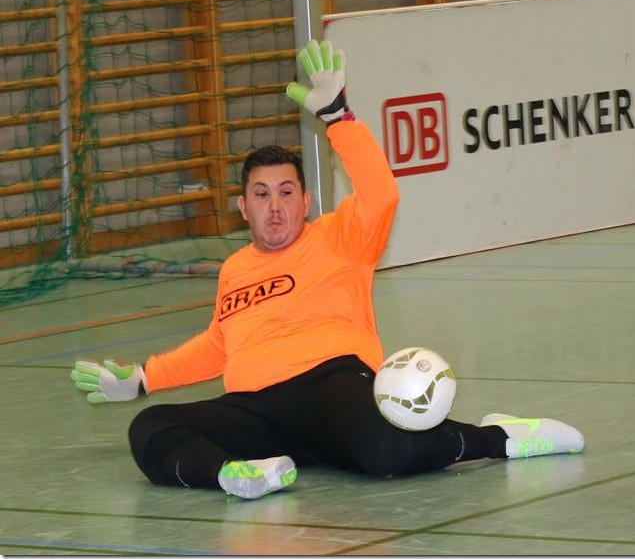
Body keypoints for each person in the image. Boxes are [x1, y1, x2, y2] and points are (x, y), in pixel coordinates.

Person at [70, 39, 584, 500]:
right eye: (261, 194)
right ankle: (235, 475)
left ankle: (503, 437)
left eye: (286, 193)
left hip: (330, 387)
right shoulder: (234, 268)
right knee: (150, 427)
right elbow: (219, 344)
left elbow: (381, 194)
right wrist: (145, 378)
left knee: (385, 453)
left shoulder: (341, 239)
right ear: (243, 207)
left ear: (306, 202)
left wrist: (339, 118)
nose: (275, 207)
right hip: (253, 407)